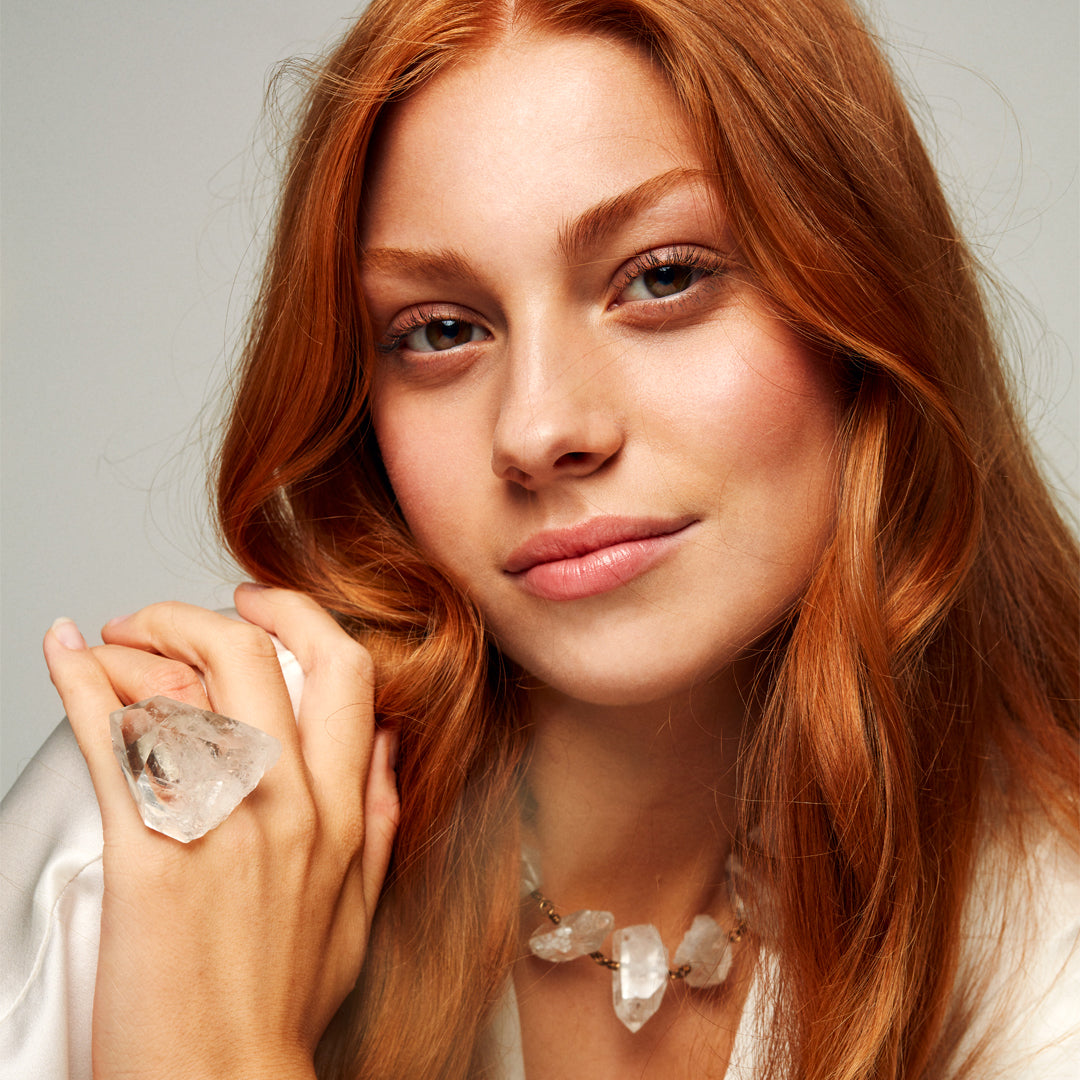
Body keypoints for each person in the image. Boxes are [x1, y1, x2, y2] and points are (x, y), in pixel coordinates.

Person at [3, 0, 1077, 1077]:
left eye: (663, 277)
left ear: (867, 302)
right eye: (441, 331)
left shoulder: (1045, 925)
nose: (538, 429)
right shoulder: (176, 828)